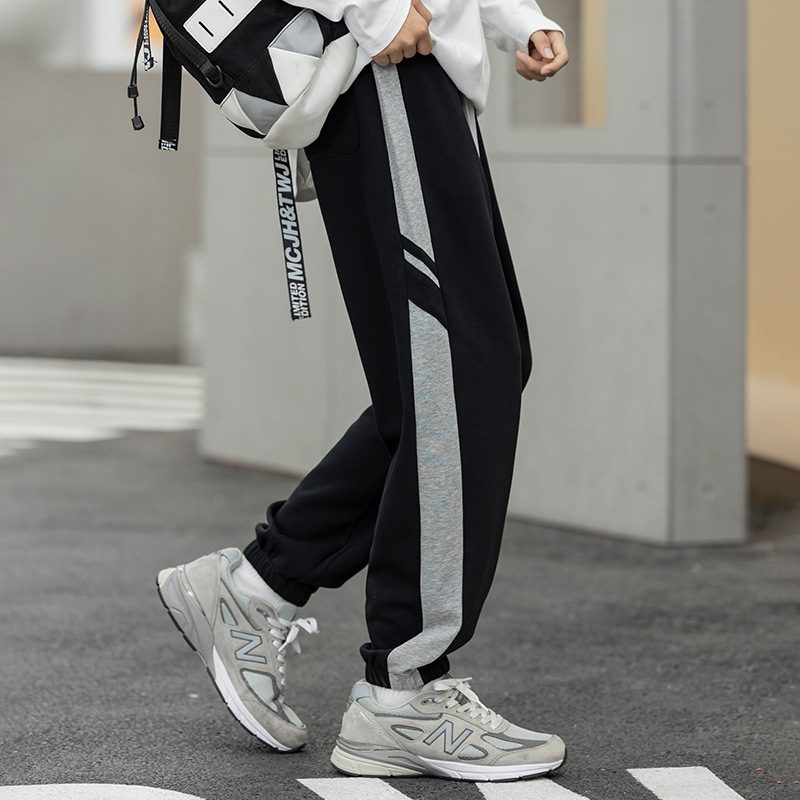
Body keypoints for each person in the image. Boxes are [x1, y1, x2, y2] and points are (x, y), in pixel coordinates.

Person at [156, 0, 568, 781]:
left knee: (459, 378)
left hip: (418, 71)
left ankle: (257, 585)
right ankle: (404, 690)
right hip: (388, 68)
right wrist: (375, 8)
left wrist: (517, 18)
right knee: (460, 378)